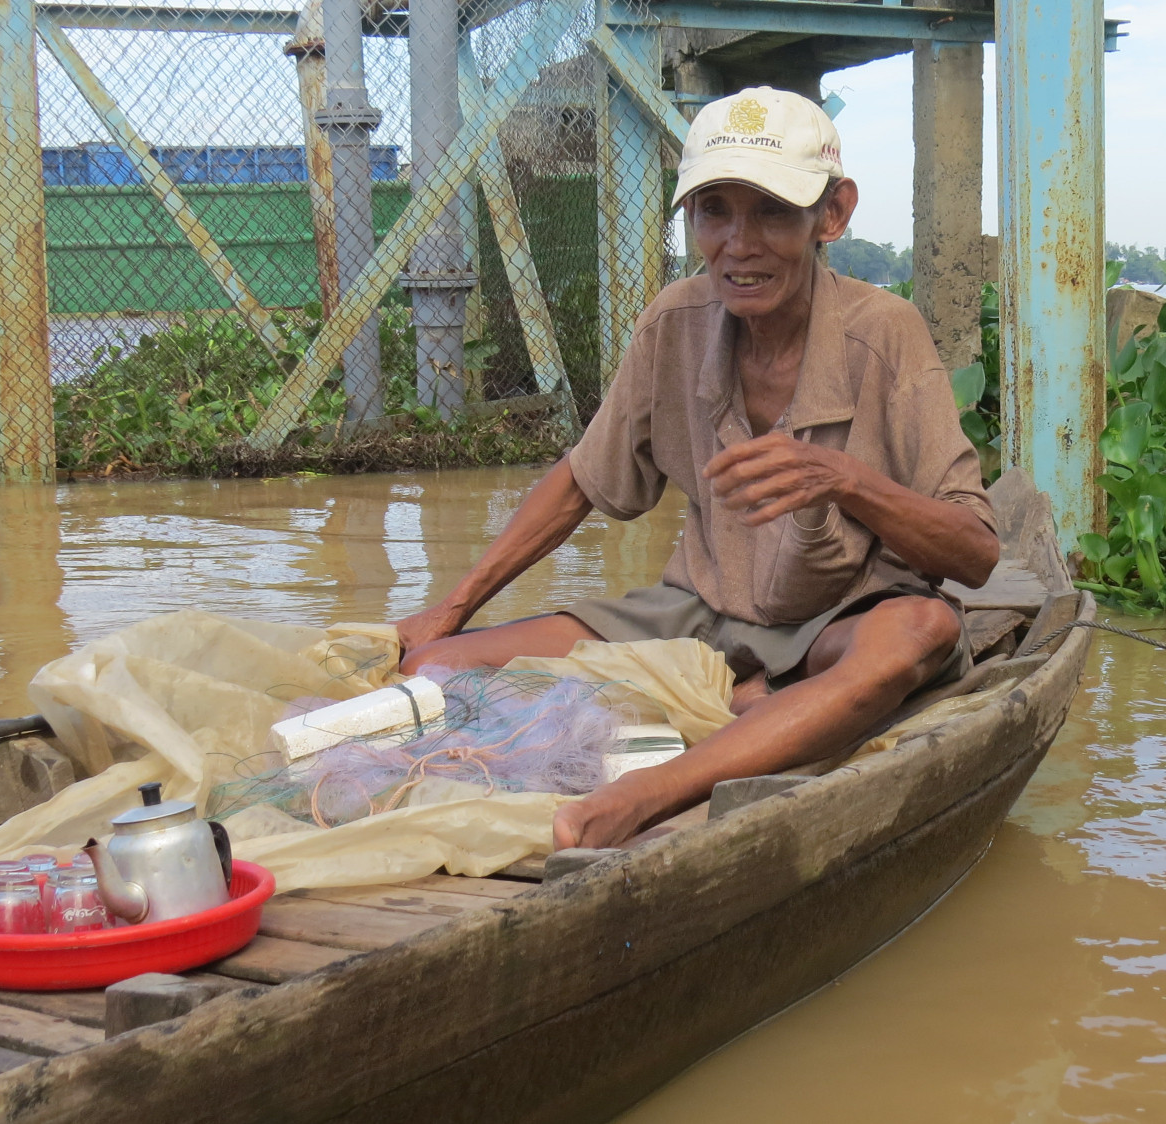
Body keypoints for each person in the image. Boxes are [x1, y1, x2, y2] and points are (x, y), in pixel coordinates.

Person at [395, 86, 999, 849]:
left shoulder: (885, 332)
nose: (739, 245)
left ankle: (654, 790)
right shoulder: (673, 323)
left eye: (774, 212)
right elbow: (585, 477)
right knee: (436, 669)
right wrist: (452, 607)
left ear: (833, 215)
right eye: (715, 211)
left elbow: (976, 554)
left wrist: (843, 480)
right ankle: (757, 700)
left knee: (920, 629)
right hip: (701, 613)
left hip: (839, 620)